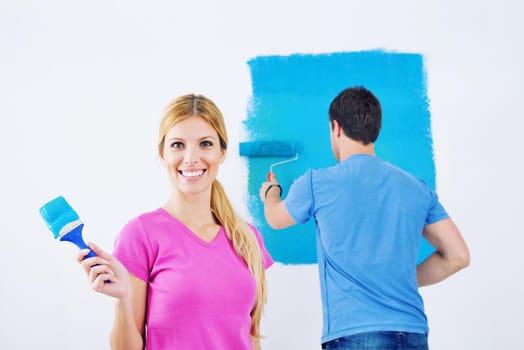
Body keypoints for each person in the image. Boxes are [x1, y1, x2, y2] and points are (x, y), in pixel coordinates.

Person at [259, 86, 469, 350]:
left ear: (336, 128)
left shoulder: (317, 182)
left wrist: (271, 194)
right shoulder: (416, 187)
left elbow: (276, 220)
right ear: (374, 130)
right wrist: (399, 279)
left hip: (356, 336)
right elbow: (458, 256)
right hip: (413, 334)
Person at [78, 94, 273, 350]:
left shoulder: (247, 237)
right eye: (178, 145)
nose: (191, 157)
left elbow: (251, 337)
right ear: (162, 154)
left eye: (205, 143)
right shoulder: (140, 235)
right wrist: (123, 298)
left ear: (222, 152)